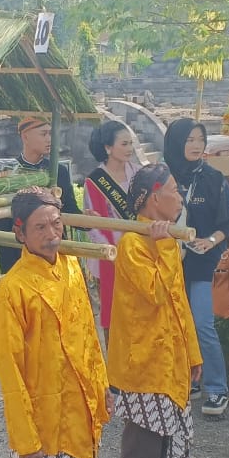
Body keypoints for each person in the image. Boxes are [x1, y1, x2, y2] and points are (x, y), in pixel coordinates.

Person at [0, 186, 113, 458]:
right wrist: (25, 440)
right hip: (43, 425)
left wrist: (101, 387)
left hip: (79, 413)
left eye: (56, 223)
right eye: (40, 227)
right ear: (21, 234)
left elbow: (88, 333)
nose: (51, 234)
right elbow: (10, 370)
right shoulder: (13, 289)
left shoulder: (72, 266)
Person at [107, 163, 202, 458]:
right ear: (152, 198)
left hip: (170, 362)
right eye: (174, 190)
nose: (180, 197)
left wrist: (192, 353)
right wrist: (163, 247)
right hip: (146, 368)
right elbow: (158, 293)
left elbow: (179, 303)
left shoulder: (165, 240)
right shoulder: (134, 243)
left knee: (167, 456)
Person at [163, 118, 229, 416]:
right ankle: (190, 380)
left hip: (204, 261)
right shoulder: (163, 176)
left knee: (203, 324)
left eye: (200, 139)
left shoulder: (213, 178)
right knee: (177, 323)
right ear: (176, 143)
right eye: (189, 139)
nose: (196, 145)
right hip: (170, 261)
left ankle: (217, 389)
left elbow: (228, 221)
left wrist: (211, 240)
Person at [0, 117, 81, 274]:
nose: (49, 139)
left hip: (51, 247)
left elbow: (70, 211)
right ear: (25, 137)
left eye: (51, 134)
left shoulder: (58, 171)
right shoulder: (7, 172)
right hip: (15, 250)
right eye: (43, 134)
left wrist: (88, 220)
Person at [82, 120, 140, 337]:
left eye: (131, 144)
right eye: (124, 144)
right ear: (108, 148)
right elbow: (95, 226)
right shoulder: (95, 181)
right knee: (114, 314)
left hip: (140, 253)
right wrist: (113, 250)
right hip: (111, 255)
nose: (130, 149)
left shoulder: (140, 174)